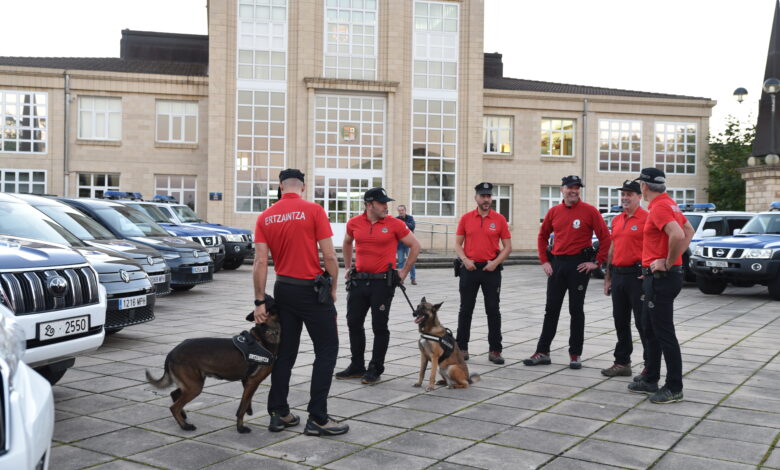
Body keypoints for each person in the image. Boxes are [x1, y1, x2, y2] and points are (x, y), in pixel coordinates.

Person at [253, 168, 348, 436]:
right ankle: (317, 418)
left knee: (285, 353)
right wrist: (333, 286)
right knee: (327, 350)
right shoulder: (314, 210)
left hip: (284, 289)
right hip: (311, 291)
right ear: (303, 187)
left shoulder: (265, 216)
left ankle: (279, 413)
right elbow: (329, 256)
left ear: (281, 187)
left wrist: (259, 301)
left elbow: (260, 262)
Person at [336, 188, 421, 384]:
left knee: (379, 326)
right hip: (359, 282)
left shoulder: (394, 224)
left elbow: (415, 246)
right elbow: (347, 242)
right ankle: (357, 365)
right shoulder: (354, 223)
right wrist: (348, 267)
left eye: (386, 203)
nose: (386, 206)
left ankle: (376, 367)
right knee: (353, 322)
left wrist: (404, 271)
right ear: (369, 205)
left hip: (382, 283)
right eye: (382, 203)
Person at [525, 175, 611, 369]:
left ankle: (575, 354)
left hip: (579, 266)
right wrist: (545, 261)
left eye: (577, 188)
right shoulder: (554, 211)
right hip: (557, 265)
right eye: (570, 187)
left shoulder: (590, 211)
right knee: (551, 310)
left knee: (576, 310)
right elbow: (542, 236)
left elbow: (605, 238)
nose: (574, 191)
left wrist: (596, 262)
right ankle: (542, 351)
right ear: (562, 189)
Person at [627, 168, 694, 404]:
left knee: (664, 332)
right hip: (656, 277)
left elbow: (677, 235)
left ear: (644, 186)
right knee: (649, 326)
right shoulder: (670, 204)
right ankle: (650, 378)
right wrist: (672, 260)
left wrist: (667, 262)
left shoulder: (659, 207)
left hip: (661, 278)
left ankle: (674, 386)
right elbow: (689, 230)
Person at [454, 182, 512, 364]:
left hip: (491, 270)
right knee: (465, 310)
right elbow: (457, 244)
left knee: (493, 310)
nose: (486, 199)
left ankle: (495, 350)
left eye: (488, 196)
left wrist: (495, 263)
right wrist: (465, 260)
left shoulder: (499, 219)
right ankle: (461, 348)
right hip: (469, 269)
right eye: (483, 196)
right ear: (476, 198)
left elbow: (508, 247)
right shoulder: (466, 218)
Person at [601, 180, 649, 378]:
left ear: (639, 196)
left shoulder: (647, 218)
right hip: (619, 275)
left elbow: (655, 246)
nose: (625, 197)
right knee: (620, 321)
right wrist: (608, 276)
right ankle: (622, 363)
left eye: (630, 194)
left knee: (642, 323)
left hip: (637, 277)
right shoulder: (617, 219)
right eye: (623, 194)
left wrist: (648, 271)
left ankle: (649, 365)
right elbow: (613, 248)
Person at [396, 205, 417, 285]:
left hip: (409, 244)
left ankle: (413, 279)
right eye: (399, 210)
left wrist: (403, 223)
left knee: (411, 262)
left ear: (405, 210)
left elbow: (412, 226)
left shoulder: (410, 218)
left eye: (402, 210)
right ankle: (401, 278)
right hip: (400, 244)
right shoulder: (396, 219)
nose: (401, 212)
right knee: (401, 262)